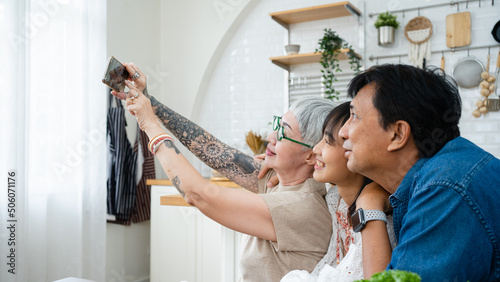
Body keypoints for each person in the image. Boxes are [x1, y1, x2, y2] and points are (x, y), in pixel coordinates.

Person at [111, 63, 336, 281]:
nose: (271, 137)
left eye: (283, 133)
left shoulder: (301, 206)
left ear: (311, 155)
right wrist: (150, 102)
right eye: (277, 126)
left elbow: (198, 194)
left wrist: (149, 124)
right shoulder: (277, 180)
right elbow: (211, 149)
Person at [338, 64, 500, 281]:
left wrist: (369, 208)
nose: (342, 132)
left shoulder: (444, 189)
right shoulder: (444, 171)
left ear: (397, 134)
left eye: (354, 116)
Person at [279, 102, 396, 282]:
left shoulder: (379, 220)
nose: (316, 149)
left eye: (328, 141)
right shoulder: (338, 201)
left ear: (355, 152)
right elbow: (332, 263)